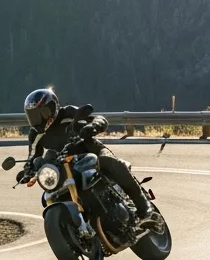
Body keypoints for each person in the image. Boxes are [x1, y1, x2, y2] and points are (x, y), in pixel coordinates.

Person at [22, 88, 158, 229]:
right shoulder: (35, 134)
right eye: (34, 115)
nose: (39, 119)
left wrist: (93, 126)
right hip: (64, 166)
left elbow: (98, 119)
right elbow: (32, 156)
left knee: (110, 164)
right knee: (50, 191)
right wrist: (27, 171)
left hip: (91, 152)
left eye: (42, 113)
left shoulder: (68, 113)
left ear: (53, 107)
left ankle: (145, 209)